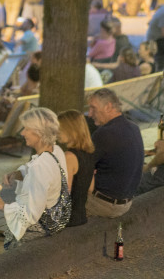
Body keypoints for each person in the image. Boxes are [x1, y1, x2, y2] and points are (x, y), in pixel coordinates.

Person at [0, 107, 70, 248]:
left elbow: (31, 215)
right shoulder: (56, 150)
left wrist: (3, 206)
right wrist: (17, 174)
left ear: (39, 132)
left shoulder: (39, 167)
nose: (22, 133)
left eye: (26, 129)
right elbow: (43, 176)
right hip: (54, 220)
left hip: (39, 229)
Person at [86, 88, 144, 217]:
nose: (90, 114)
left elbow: (83, 168)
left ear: (108, 107)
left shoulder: (104, 134)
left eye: (93, 108)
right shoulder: (134, 128)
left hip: (105, 205)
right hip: (126, 202)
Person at [57, 110, 96, 227]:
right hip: (81, 216)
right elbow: (91, 188)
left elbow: (64, 192)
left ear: (71, 130)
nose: (57, 132)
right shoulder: (89, 153)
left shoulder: (69, 157)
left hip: (67, 219)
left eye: (60, 128)